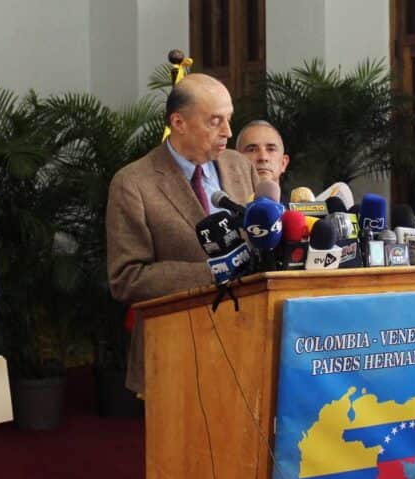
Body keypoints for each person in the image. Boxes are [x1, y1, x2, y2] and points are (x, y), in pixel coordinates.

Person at [106, 73, 257, 394]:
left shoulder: (239, 166)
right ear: (179, 122)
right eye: (215, 121)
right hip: (175, 351)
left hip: (247, 341)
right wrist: (215, 273)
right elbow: (127, 277)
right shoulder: (134, 182)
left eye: (229, 119)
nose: (228, 132)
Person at [235, 120, 289, 187]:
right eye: (252, 150)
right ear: (236, 163)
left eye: (271, 149)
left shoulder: (303, 198)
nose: (263, 157)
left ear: (283, 163)